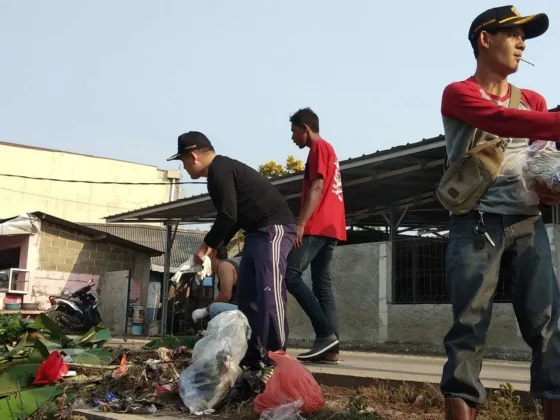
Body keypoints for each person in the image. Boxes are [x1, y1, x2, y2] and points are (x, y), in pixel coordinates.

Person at [439, 6, 560, 419]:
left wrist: (550, 185)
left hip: (528, 224)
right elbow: (502, 120)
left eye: (525, 37)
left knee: (548, 330)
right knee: (468, 330)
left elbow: (541, 159)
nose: (522, 43)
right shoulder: (459, 92)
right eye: (513, 33)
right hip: (476, 224)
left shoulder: (535, 101)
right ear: (484, 39)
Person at [167, 131, 296, 381]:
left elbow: (228, 216)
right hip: (255, 232)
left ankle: (277, 357)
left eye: (183, 161)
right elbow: (233, 216)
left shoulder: (220, 170)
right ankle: (252, 358)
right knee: (247, 298)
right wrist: (217, 245)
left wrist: (205, 247)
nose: (184, 167)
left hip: (273, 228)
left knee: (268, 292)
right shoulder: (218, 173)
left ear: (193, 156)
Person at [284, 108, 346, 364]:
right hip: (332, 226)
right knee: (322, 285)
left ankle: (324, 334)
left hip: (318, 224)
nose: (293, 138)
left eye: (294, 131)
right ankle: (331, 349)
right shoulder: (329, 150)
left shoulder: (319, 148)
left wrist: (301, 222)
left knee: (290, 274)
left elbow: (318, 185)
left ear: (305, 128)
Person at [191, 244, 239, 322]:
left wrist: (205, 311)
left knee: (215, 308)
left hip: (244, 309)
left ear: (214, 253)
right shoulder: (224, 265)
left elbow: (226, 295)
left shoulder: (224, 265)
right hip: (240, 308)